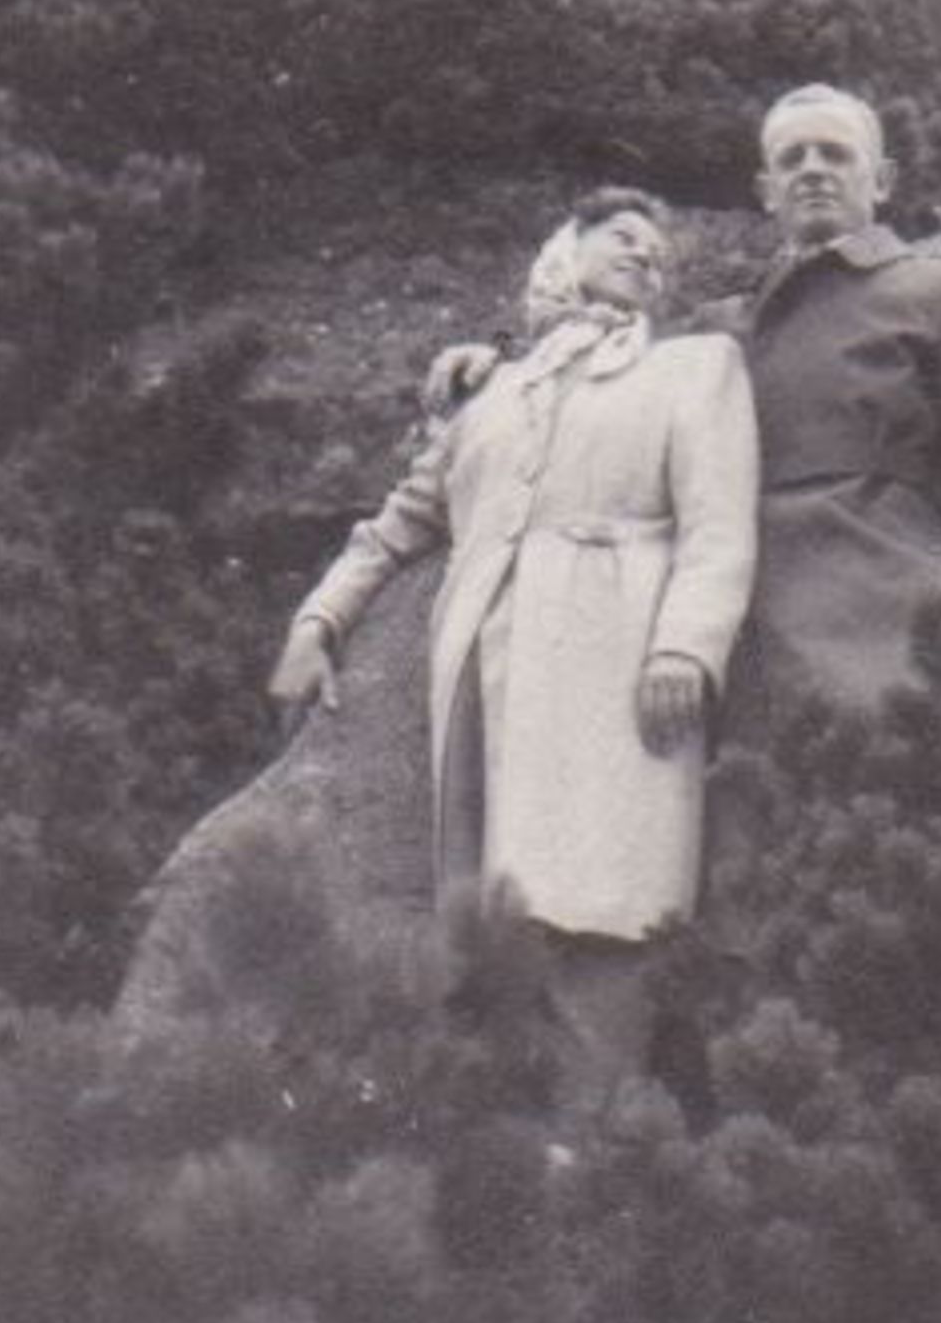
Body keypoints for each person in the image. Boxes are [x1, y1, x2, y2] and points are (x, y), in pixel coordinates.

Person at [269, 187, 757, 1092]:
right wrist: (317, 621)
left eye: (659, 252)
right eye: (622, 237)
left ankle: (607, 1132)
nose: (646, 255)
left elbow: (719, 528)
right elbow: (397, 526)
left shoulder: (693, 370)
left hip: (613, 665)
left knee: (609, 898)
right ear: (564, 251)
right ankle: (512, 1129)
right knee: (492, 915)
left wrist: (686, 647)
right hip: (482, 675)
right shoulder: (490, 395)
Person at [704, 83, 941, 717]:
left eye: (835, 153)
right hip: (753, 610)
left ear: (882, 181)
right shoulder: (723, 325)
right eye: (792, 158)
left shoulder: (937, 288)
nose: (812, 169)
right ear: (767, 191)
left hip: (891, 597)